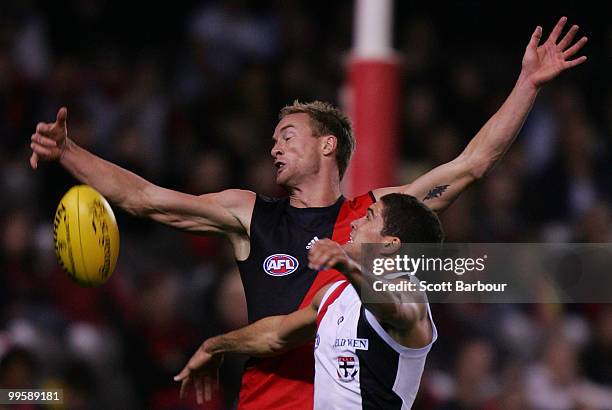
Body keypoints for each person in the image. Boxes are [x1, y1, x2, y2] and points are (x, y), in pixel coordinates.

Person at [28, 17, 587, 409]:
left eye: (287, 135)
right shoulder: (249, 213)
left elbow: (474, 163)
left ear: (327, 147)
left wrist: (528, 83)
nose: (274, 147)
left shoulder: (378, 216)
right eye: (272, 138)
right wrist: (68, 153)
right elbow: (143, 199)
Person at [175, 193, 443, 409]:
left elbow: (396, 310)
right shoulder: (335, 294)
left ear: (390, 244)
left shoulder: (411, 294)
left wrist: (347, 266)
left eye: (369, 217)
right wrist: (215, 346)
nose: (355, 222)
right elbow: (276, 334)